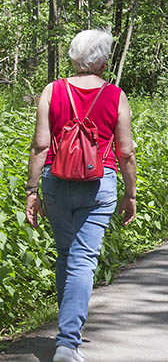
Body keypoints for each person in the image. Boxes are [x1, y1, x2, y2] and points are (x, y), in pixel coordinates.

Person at [24, 29, 138, 362]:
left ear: (74, 57)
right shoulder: (115, 95)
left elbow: (41, 145)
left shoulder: (52, 90)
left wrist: (32, 191)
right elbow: (126, 151)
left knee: (66, 255)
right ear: (103, 61)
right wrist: (130, 194)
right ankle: (68, 342)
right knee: (82, 260)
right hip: (99, 183)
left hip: (56, 182)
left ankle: (67, 331)